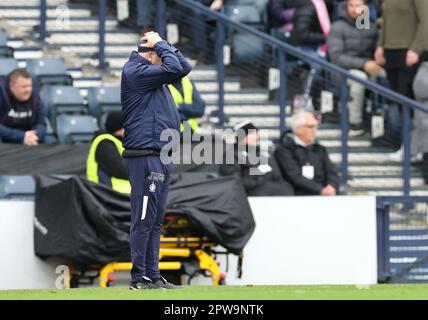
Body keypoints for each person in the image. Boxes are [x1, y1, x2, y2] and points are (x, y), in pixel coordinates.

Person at [121, 31, 191, 290]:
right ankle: (139, 278)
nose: (165, 58)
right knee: (143, 219)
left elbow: (183, 67)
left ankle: (152, 275)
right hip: (145, 155)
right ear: (150, 55)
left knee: (155, 220)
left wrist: (163, 45)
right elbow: (174, 67)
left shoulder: (150, 73)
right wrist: (160, 44)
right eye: (160, 54)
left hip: (159, 154)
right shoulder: (135, 72)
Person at [374, 0, 428, 149]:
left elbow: (426, 21)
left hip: (410, 52)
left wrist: (416, 49)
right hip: (391, 52)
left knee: (408, 99)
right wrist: (380, 45)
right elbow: (386, 22)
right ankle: (406, 144)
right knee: (398, 100)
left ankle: (413, 147)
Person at [327, 0, 381, 136]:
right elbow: (336, 57)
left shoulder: (372, 26)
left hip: (368, 66)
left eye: (358, 6)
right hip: (341, 71)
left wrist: (375, 63)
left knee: (387, 75)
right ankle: (354, 123)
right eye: (351, 6)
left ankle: (382, 126)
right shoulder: (337, 26)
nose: (354, 9)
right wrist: (363, 64)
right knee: (359, 78)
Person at [220, 121, 294, 196]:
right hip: (253, 197)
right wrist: (259, 174)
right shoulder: (231, 156)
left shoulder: (262, 153)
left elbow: (277, 175)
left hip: (279, 192)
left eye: (256, 134)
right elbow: (235, 182)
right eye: (252, 134)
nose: (256, 137)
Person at [274, 111, 339, 196]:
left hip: (324, 195)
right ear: (298, 129)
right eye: (310, 127)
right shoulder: (284, 150)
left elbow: (332, 172)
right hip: (297, 195)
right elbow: (294, 176)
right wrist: (320, 190)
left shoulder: (320, 149)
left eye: (316, 127)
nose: (314, 130)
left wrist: (331, 187)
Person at [86, 111, 131, 194]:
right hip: (110, 197)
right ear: (120, 129)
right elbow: (122, 170)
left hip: (123, 197)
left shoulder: (121, 143)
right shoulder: (104, 143)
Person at [0, 68, 46, 145]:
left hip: (28, 135)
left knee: (49, 141)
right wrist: (21, 136)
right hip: (5, 135)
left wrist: (35, 134)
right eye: (23, 86)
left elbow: (41, 122)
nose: (28, 90)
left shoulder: (35, 95)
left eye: (29, 86)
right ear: (11, 86)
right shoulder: (1, 94)